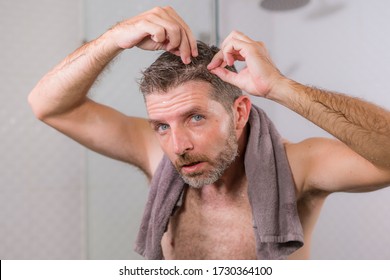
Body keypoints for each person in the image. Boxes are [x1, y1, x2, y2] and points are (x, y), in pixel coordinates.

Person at [28, 6, 390, 259]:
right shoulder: (155, 151)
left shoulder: (298, 166)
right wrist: (113, 39)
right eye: (162, 126)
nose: (178, 146)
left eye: (196, 118)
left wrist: (280, 86)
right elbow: (48, 105)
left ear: (240, 112)